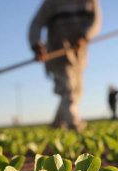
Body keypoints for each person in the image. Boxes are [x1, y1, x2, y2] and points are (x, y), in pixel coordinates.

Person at [29, 0, 102, 131]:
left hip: (78, 55)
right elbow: (36, 24)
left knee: (76, 91)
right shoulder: (51, 3)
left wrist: (85, 36)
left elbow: (95, 21)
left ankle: (56, 124)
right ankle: (74, 124)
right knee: (68, 88)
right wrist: (36, 45)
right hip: (57, 52)